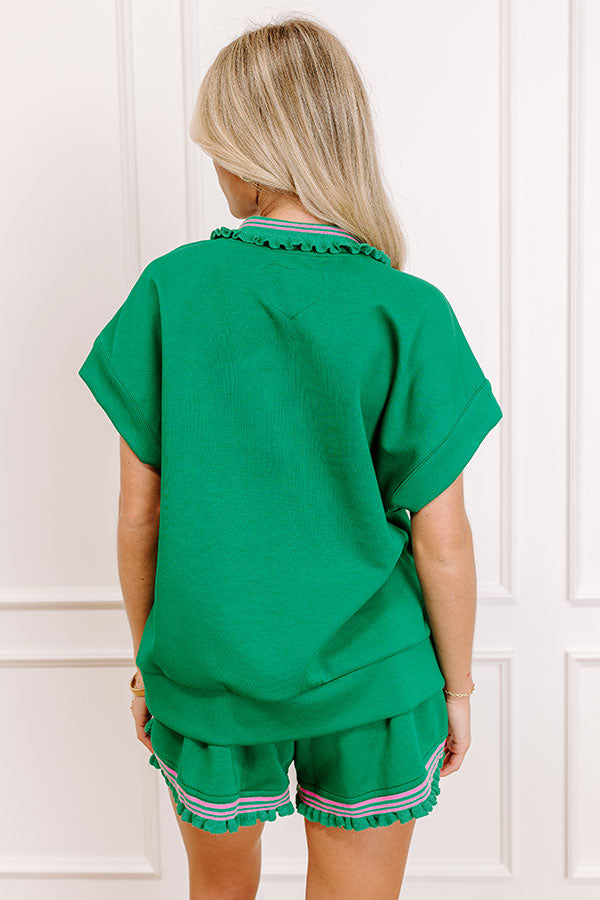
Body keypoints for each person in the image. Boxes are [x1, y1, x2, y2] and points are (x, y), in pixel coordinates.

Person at [78, 14, 503, 900]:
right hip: (373, 677)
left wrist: (150, 663)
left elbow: (139, 515)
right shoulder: (407, 308)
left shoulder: (171, 291)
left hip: (209, 672)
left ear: (252, 151)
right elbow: (444, 542)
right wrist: (458, 688)